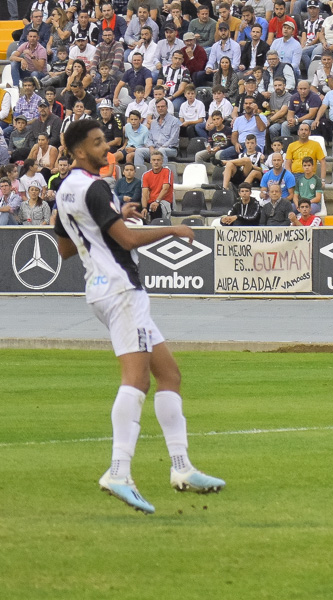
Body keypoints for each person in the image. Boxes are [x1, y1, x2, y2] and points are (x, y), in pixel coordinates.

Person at [51, 120, 224, 514]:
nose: (106, 148)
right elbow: (126, 240)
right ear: (79, 152)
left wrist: (113, 215)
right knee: (137, 379)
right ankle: (117, 471)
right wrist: (173, 229)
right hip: (121, 288)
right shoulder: (94, 187)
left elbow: (63, 248)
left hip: (100, 288)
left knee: (169, 375)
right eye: (97, 143)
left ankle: (181, 468)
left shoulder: (65, 189)